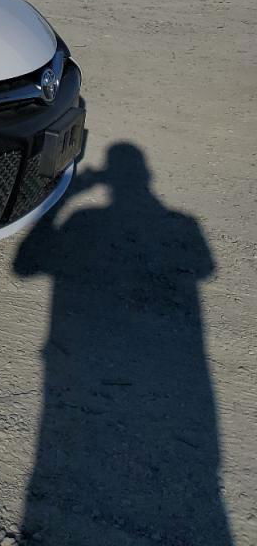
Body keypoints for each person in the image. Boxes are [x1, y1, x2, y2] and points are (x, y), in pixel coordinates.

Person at [13, 142, 231, 543]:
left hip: (71, 368)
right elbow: (205, 269)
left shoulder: (83, 219)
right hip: (179, 377)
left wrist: (69, 198)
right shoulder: (181, 222)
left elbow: (24, 265)